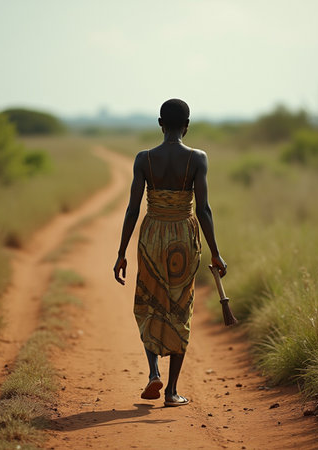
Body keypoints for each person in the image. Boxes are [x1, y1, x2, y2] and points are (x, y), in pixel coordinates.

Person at [113, 99, 226, 407]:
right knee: (179, 307)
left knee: (149, 302)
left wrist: (122, 251)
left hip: (151, 236)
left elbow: (133, 208)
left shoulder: (144, 159)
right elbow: (202, 208)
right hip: (183, 239)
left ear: (160, 123)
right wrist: (215, 252)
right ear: (187, 125)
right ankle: (172, 391)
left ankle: (152, 372)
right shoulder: (197, 159)